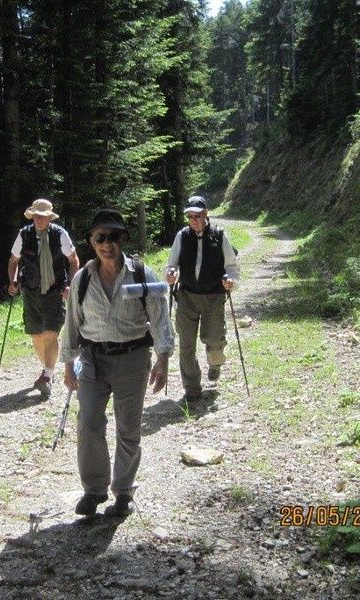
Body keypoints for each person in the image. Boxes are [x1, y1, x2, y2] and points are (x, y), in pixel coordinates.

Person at [61, 208, 174, 517]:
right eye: (101, 238)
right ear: (91, 241)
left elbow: (161, 320)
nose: (107, 244)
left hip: (133, 360)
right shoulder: (83, 279)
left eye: (113, 237)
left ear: (122, 239)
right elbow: (71, 324)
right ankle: (94, 490)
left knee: (128, 427)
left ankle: (123, 491)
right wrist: (68, 366)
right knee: (88, 422)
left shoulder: (141, 274)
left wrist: (162, 360)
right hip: (93, 360)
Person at [165, 196, 239, 401]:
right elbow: (171, 264)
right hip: (187, 296)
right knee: (186, 345)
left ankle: (215, 364)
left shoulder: (219, 235)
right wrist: (171, 273)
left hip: (214, 296)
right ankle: (192, 388)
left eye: (197, 215)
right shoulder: (182, 236)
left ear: (206, 213)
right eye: (190, 216)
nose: (194, 219)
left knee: (213, 340)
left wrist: (231, 281)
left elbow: (231, 267)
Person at [8, 199, 80, 397]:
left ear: (49, 217)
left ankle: (47, 376)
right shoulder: (24, 235)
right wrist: (13, 281)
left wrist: (70, 284)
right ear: (32, 217)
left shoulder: (59, 234)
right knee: (36, 334)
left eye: (43, 216)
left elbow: (73, 260)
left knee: (50, 332)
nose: (39, 220)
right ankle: (48, 368)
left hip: (54, 291)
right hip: (30, 291)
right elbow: (14, 261)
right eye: (36, 216)